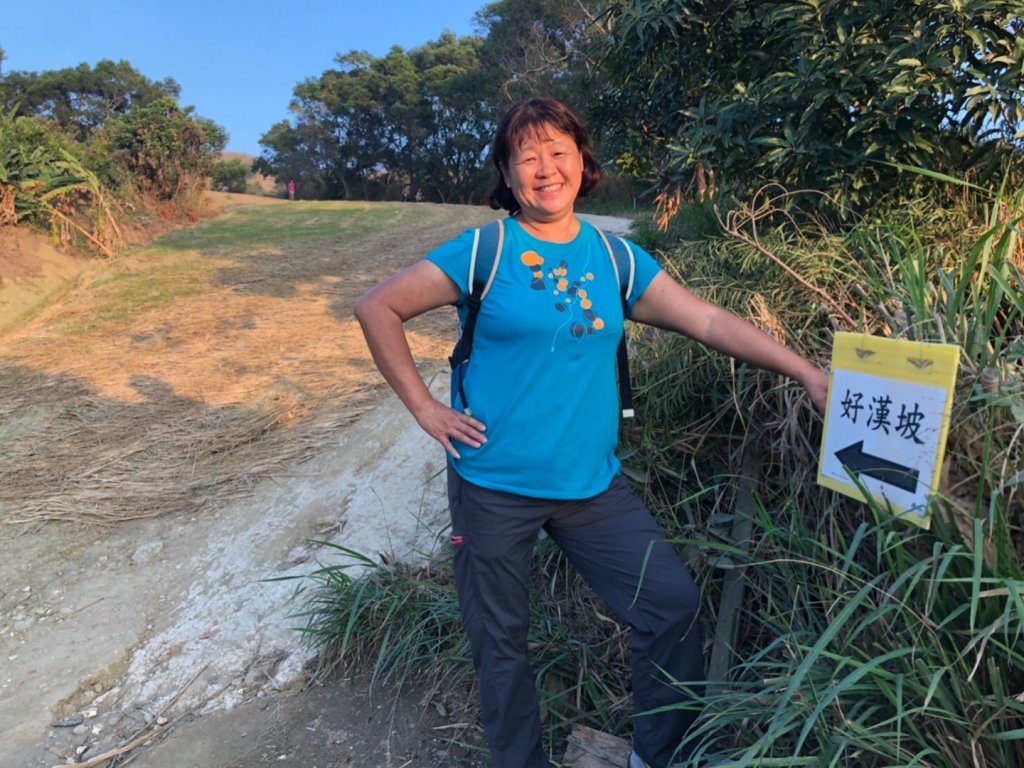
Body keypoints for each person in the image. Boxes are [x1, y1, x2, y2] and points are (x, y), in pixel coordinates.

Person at [354, 97, 828, 768]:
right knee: (502, 647)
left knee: (669, 606)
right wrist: (426, 409)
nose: (545, 168)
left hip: (590, 488)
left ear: (582, 160)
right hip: (493, 486)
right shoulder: (484, 250)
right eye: (527, 157)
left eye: (558, 152)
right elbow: (377, 307)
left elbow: (710, 322)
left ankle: (657, 755)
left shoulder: (614, 259)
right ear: (508, 174)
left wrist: (804, 371)